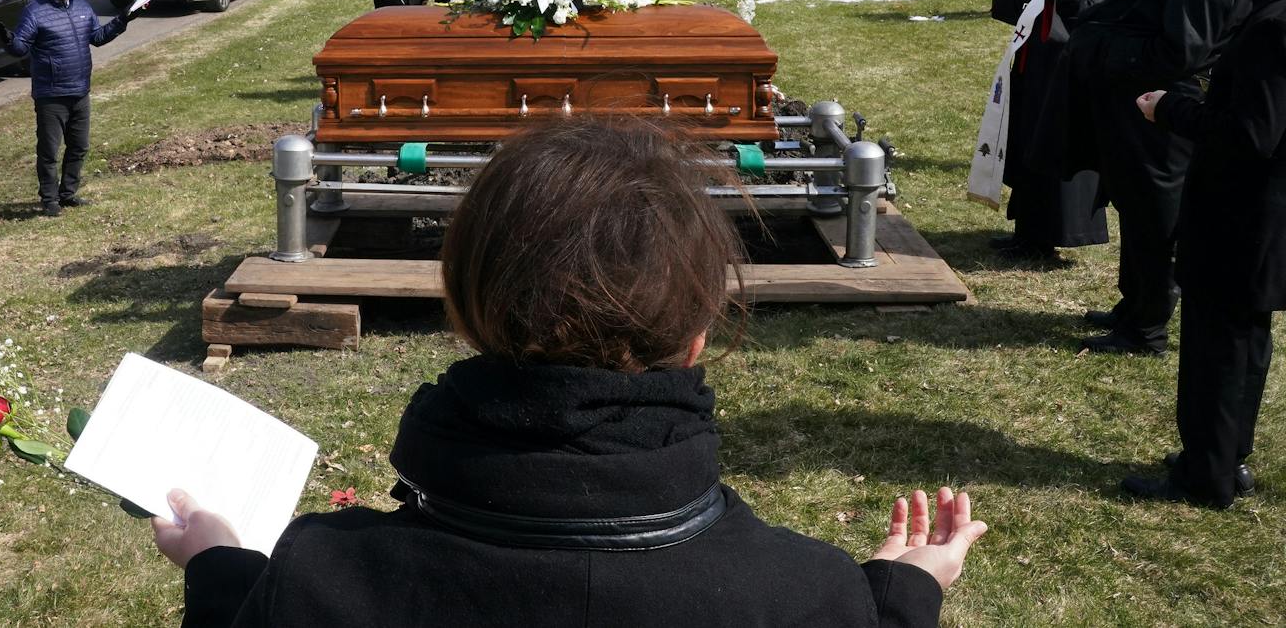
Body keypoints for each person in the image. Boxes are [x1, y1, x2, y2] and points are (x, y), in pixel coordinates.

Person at [151, 119, 987, 627]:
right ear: (700, 333)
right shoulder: (810, 595)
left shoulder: (318, 579)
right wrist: (900, 591)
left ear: (465, 310)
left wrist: (223, 568)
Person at [1036, 0, 1247, 355]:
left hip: (1164, 109)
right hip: (1144, 108)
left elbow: (1184, 51)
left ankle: (1146, 327)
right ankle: (1133, 304)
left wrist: (1106, 50)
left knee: (1154, 218)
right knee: (1134, 208)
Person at [1122, 0, 1286, 508]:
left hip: (1240, 220)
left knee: (1217, 352)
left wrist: (1171, 108)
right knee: (1246, 344)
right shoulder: (1270, 14)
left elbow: (1248, 134)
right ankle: (1225, 455)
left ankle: (1204, 474)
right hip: (1261, 221)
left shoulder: (1273, 26)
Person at [985, 0, 1118, 258]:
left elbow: (1088, 18)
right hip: (1039, 78)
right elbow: (1034, 6)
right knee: (1030, 149)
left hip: (1068, 86)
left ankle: (1046, 236)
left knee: (1051, 156)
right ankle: (1028, 232)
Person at [0, 0, 138, 217]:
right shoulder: (35, 11)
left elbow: (97, 37)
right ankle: (49, 199)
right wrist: (8, 41)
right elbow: (21, 48)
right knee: (49, 150)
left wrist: (124, 19)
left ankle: (68, 193)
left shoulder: (82, 5)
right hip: (51, 95)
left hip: (80, 91)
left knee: (79, 146)